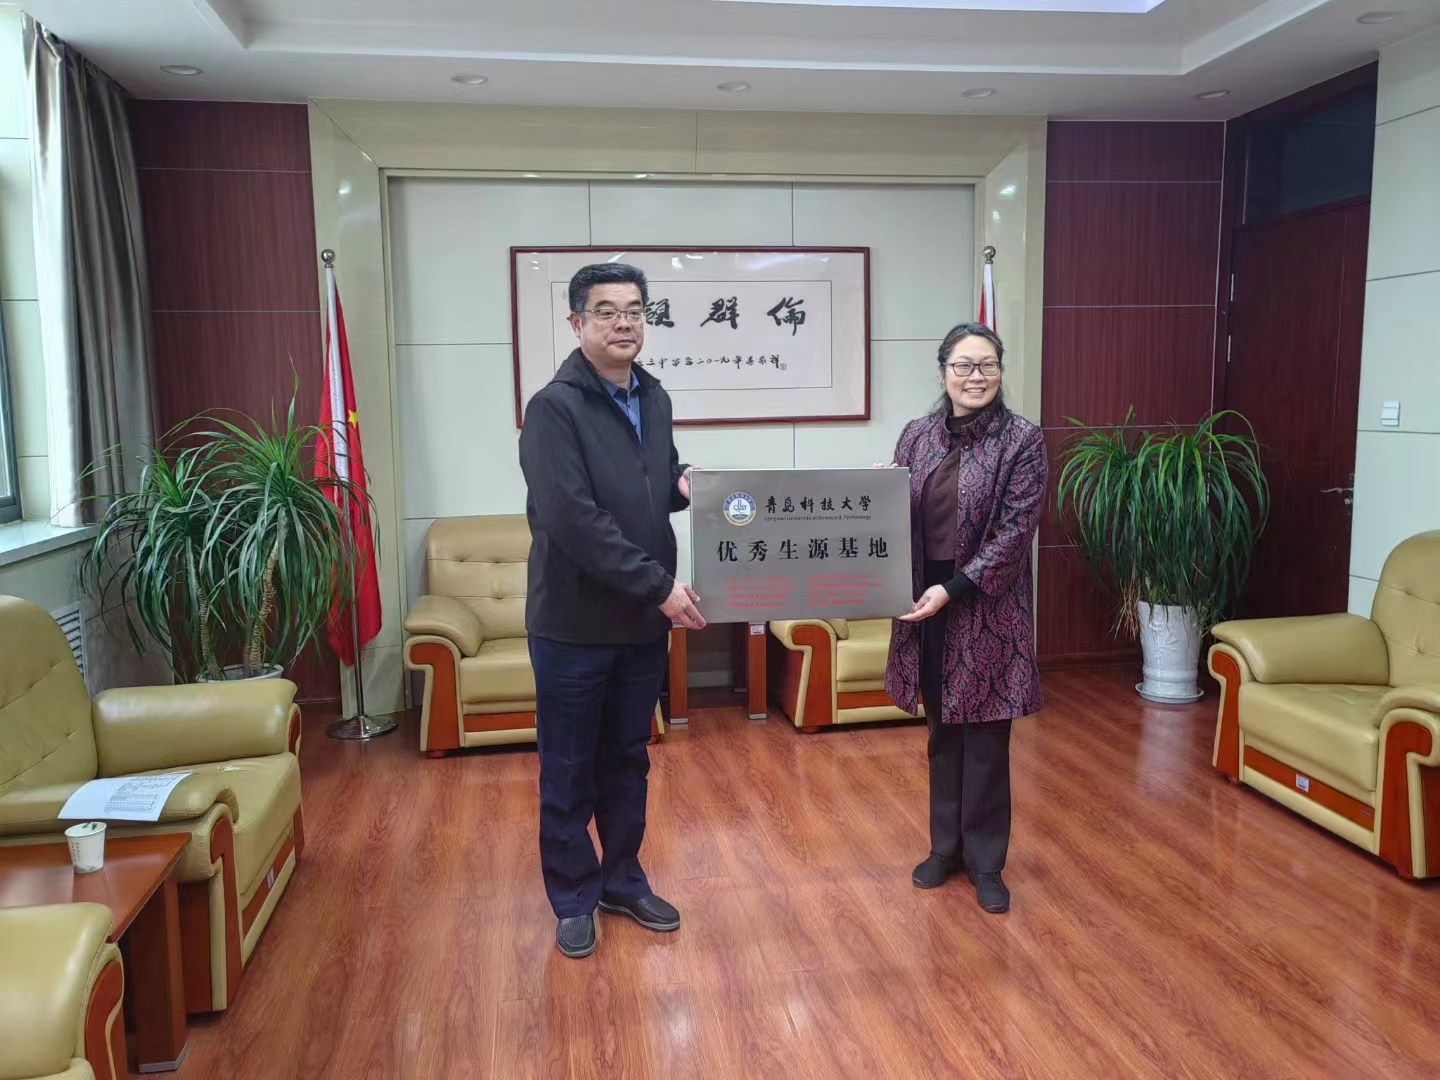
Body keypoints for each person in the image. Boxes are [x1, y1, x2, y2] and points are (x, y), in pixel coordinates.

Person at [518, 263, 706, 959]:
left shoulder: (653, 397)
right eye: (606, 311)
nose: (624, 322)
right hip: (573, 625)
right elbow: (574, 519)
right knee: (569, 767)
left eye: (634, 310)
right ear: (577, 323)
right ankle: (573, 896)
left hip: (638, 624)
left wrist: (688, 486)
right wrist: (659, 587)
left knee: (628, 760)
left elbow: (653, 481)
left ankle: (622, 880)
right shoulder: (553, 409)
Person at [884, 322, 1047, 914]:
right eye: (963, 366)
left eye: (987, 366)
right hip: (924, 605)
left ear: (1000, 372)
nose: (975, 377)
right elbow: (892, 511)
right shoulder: (917, 435)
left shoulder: (1023, 440)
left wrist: (952, 589)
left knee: (986, 739)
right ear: (943, 372)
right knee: (941, 732)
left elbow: (1014, 533)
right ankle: (944, 849)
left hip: (985, 607)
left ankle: (987, 863)